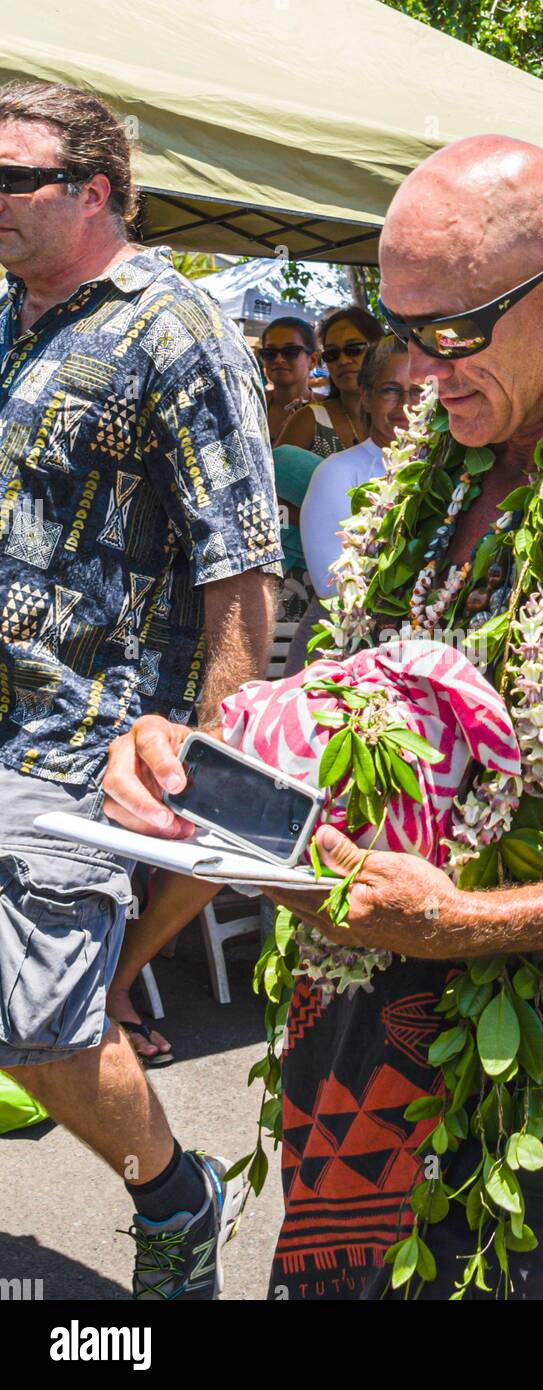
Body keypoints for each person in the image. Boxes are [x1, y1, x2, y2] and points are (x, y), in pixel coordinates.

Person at [102, 135, 543, 1302]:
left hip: (530, 1066)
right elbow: (351, 738)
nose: (421, 369)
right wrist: (196, 765)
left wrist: (471, 921)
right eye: (400, 329)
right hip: (354, 1028)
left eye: (453, 330)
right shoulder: (432, 477)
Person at [0, 80, 283, 1298]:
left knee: (42, 1031)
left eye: (14, 178)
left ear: (95, 191)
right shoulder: (15, 313)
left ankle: (175, 1193)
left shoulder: (178, 329)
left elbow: (242, 569)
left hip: (86, 744)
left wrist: (204, 768)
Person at [300, 334, 422, 598]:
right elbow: (330, 585)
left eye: (417, 391)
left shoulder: (450, 469)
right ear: (366, 397)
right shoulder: (337, 473)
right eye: (390, 390)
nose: (405, 405)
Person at [275, 305, 383, 455]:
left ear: (379, 348)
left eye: (354, 349)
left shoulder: (404, 413)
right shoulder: (309, 420)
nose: (343, 360)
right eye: (332, 354)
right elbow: (272, 477)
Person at [260, 314, 318, 444]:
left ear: (313, 360)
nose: (279, 359)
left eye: (291, 352)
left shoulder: (329, 410)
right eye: (270, 353)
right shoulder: (251, 407)